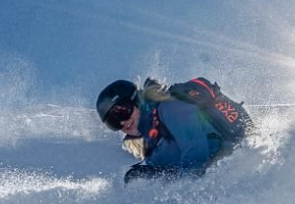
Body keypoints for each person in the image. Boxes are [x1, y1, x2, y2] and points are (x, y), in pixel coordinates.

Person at [95, 77, 249, 182]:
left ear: (137, 101)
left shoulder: (170, 108)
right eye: (113, 122)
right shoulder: (152, 145)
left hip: (242, 158)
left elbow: (196, 152)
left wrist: (183, 193)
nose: (123, 122)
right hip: (221, 173)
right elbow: (174, 172)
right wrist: (148, 175)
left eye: (122, 111)